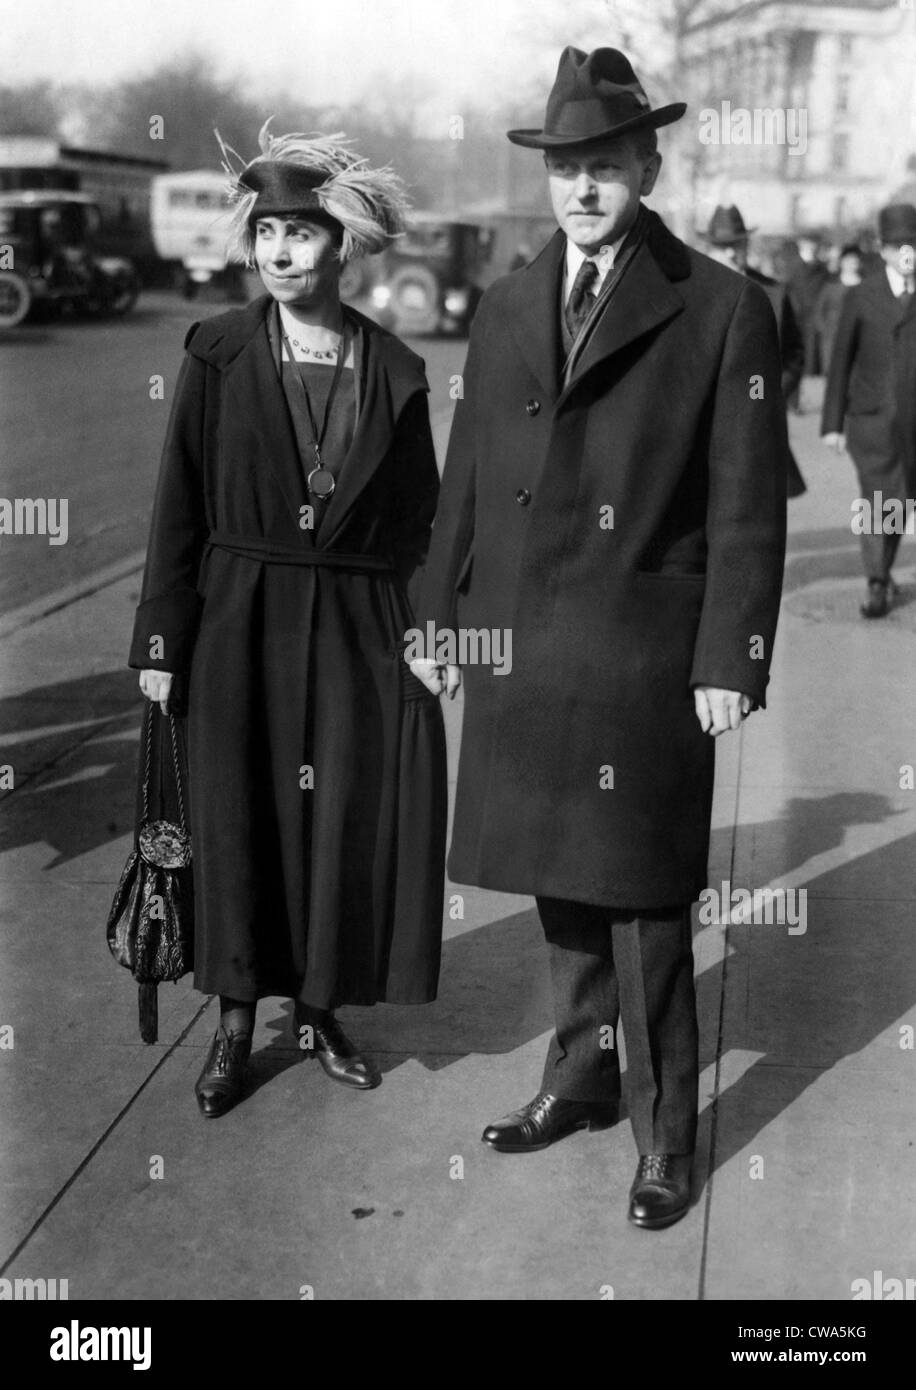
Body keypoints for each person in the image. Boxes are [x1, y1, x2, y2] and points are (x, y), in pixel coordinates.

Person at [411, 47, 787, 1230]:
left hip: (642, 649)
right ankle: (577, 1075)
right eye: (566, 168)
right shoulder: (514, 298)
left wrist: (732, 657)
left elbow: (745, 505)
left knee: (643, 898)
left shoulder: (722, 306)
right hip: (522, 641)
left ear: (650, 166)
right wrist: (435, 611)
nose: (582, 189)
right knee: (556, 876)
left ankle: (665, 1131)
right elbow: (466, 467)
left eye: (605, 167)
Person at [129, 124, 447, 1117]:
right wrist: (159, 639)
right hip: (237, 620)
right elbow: (178, 501)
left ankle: (318, 1011)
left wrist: (428, 635)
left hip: (356, 626)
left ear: (340, 245)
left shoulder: (394, 369)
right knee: (236, 818)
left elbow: (419, 523)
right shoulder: (217, 352)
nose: (277, 251)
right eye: (266, 230)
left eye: (300, 233)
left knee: (338, 820)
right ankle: (232, 1025)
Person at [821, 203, 916, 618]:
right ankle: (876, 580)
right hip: (871, 420)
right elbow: (840, 360)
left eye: (914, 244)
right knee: (878, 498)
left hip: (914, 425)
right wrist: (831, 424)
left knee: (903, 499)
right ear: (883, 249)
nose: (908, 253)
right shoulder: (862, 295)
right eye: (899, 246)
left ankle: (884, 568)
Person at [703, 204, 806, 497]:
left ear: (746, 244)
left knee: (759, 511)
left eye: (736, 245)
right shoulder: (688, 293)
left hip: (759, 418)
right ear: (709, 249)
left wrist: (775, 394)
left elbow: (795, 353)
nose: (730, 254)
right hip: (705, 421)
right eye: (722, 247)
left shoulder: (773, 292)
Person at [814, 243, 863, 374]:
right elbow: (818, 312)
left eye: (855, 261)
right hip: (832, 339)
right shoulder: (830, 286)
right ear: (842, 262)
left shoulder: (865, 287)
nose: (852, 264)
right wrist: (825, 331)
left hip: (859, 339)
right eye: (849, 261)